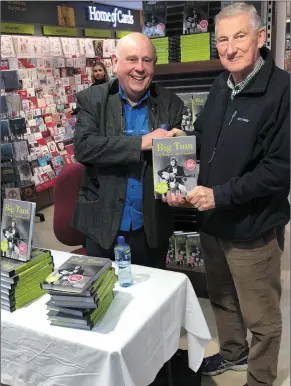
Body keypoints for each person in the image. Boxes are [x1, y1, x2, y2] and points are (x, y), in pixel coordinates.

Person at [164, 3, 290, 386]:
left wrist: (220, 194)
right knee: (221, 297)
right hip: (212, 219)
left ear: (260, 37)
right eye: (222, 39)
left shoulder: (282, 91)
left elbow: (279, 171)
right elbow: (205, 138)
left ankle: (261, 378)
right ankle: (233, 353)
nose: (230, 47)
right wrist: (181, 147)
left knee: (262, 317)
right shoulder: (223, 84)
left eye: (240, 36)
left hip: (251, 228)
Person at [72, 32, 185, 269]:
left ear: (154, 65)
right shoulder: (92, 99)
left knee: (152, 301)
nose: (140, 68)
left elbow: (175, 165)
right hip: (102, 226)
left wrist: (179, 177)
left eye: (147, 60)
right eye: (132, 59)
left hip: (151, 227)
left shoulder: (171, 103)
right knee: (102, 299)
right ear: (115, 62)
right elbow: (84, 148)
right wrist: (142, 142)